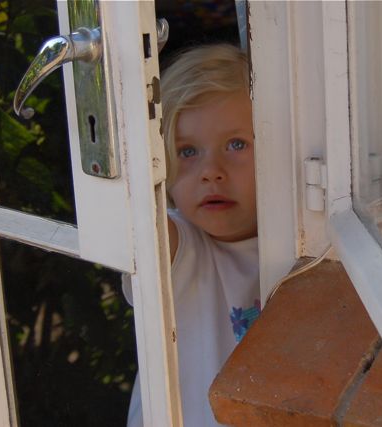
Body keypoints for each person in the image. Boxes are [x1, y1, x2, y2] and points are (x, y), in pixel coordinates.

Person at [125, 44, 260, 427]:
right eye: (187, 151)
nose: (210, 171)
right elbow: (132, 214)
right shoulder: (179, 244)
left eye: (236, 145)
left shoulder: (303, 240)